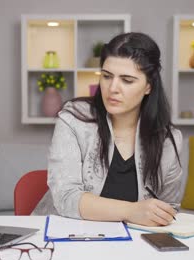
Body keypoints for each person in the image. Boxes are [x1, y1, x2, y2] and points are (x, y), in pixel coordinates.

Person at [32, 32, 182, 227]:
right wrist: (131, 211)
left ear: (148, 87)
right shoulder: (74, 119)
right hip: (63, 238)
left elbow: (167, 208)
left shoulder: (167, 140)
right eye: (106, 76)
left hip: (134, 246)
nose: (113, 88)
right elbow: (66, 197)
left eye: (127, 80)